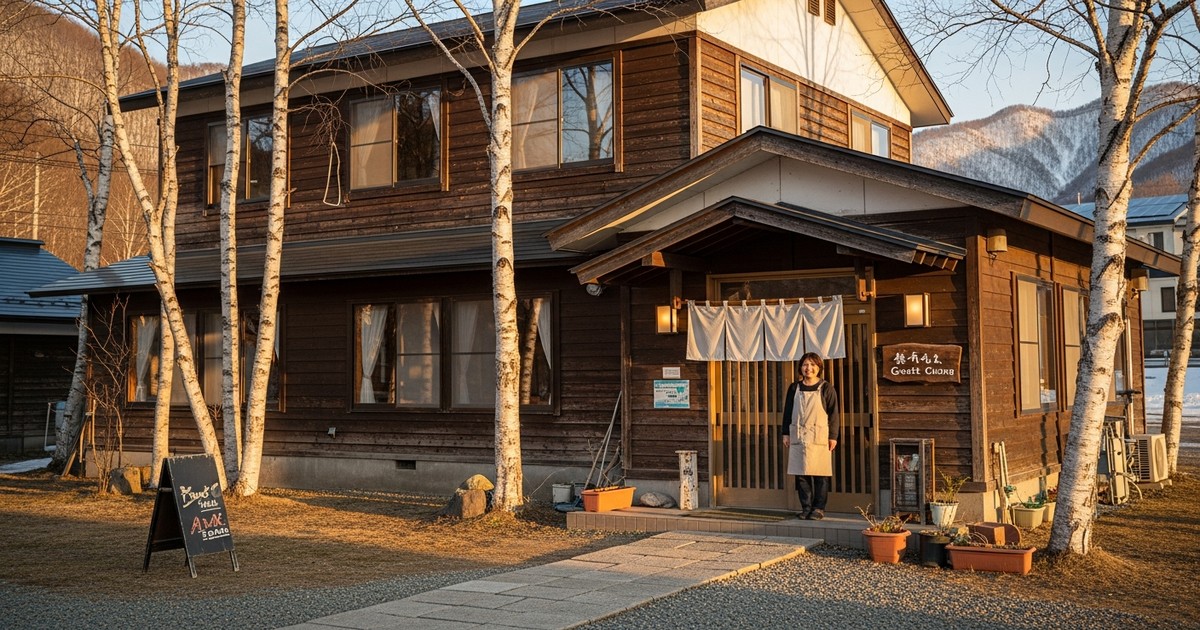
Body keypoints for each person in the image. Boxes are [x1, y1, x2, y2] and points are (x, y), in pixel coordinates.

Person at [781, 352, 840, 520]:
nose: (809, 368)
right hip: (798, 434)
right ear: (801, 367)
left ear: (819, 367)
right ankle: (806, 507)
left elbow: (834, 414)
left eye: (813, 365)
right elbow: (787, 412)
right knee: (801, 474)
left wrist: (833, 436)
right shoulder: (794, 388)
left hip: (820, 435)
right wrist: (785, 433)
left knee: (820, 474)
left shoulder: (826, 388)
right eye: (806, 365)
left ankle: (818, 508)